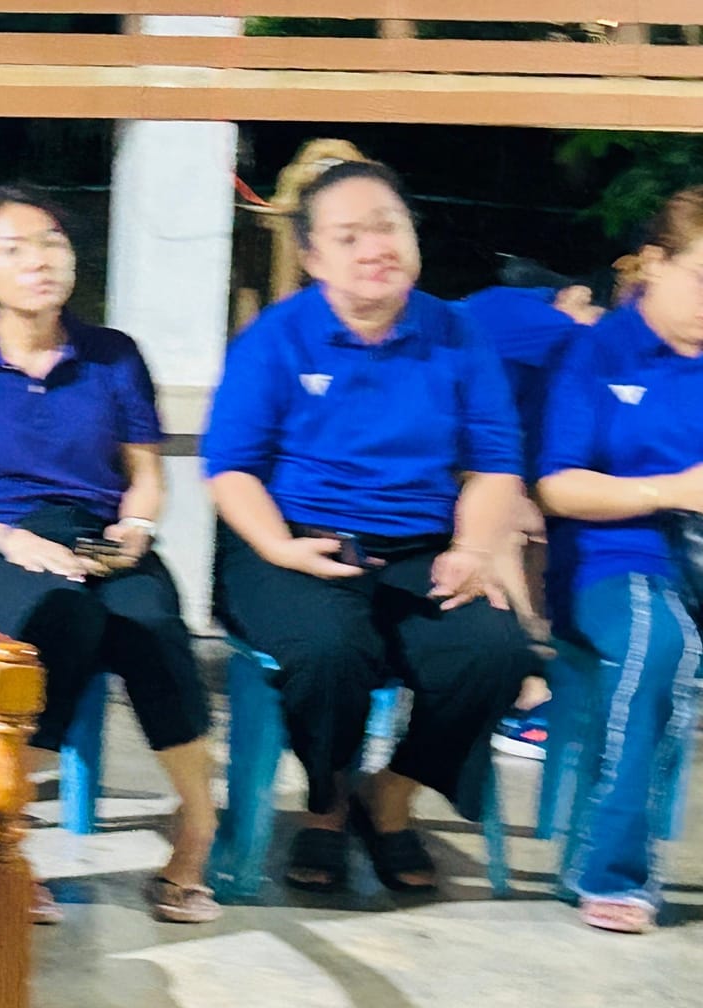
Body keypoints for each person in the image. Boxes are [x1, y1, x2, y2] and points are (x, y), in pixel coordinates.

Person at [203, 161, 536, 895]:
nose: (375, 248)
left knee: (494, 651)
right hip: (292, 537)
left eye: (388, 227)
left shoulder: (458, 335)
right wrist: (278, 545)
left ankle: (390, 794)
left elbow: (495, 464)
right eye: (349, 237)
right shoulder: (278, 338)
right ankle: (326, 805)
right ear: (313, 257)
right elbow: (229, 468)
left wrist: (473, 550)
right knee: (328, 650)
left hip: (421, 543)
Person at [0, 186, 219, 925]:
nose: (40, 260)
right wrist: (12, 541)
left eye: (52, 242)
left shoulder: (113, 357)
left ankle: (197, 827)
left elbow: (144, 472)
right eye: (14, 249)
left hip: (98, 535)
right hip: (1, 542)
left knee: (149, 620)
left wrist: (136, 526)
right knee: (62, 622)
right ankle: (5, 838)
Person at [535, 187, 703, 934]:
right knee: (660, 641)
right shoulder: (596, 352)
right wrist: (672, 490)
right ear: (655, 263)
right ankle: (611, 870)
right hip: (615, 556)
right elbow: (556, 485)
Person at [459, 259, 609, 760]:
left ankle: (534, 685)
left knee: (537, 527)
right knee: (509, 525)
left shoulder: (537, 359)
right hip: (429, 465)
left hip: (467, 461)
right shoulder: (522, 314)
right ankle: (528, 692)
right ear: (576, 295)